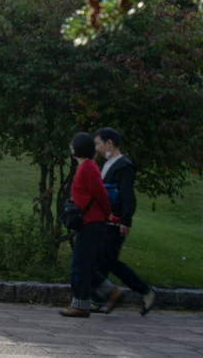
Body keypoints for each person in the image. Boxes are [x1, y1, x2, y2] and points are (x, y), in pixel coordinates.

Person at [89, 127, 158, 316]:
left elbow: (128, 195)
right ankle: (95, 299)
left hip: (117, 222)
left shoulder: (123, 165)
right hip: (103, 221)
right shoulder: (106, 165)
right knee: (99, 259)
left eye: (98, 144)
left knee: (107, 259)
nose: (96, 148)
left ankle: (145, 290)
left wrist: (126, 220)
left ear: (109, 143)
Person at [60, 131, 115, 318]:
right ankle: (110, 292)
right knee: (85, 265)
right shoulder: (85, 167)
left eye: (72, 145)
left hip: (92, 222)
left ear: (78, 148)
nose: (70, 147)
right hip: (90, 222)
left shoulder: (88, 168)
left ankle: (81, 305)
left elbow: (100, 193)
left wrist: (108, 214)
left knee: (78, 266)